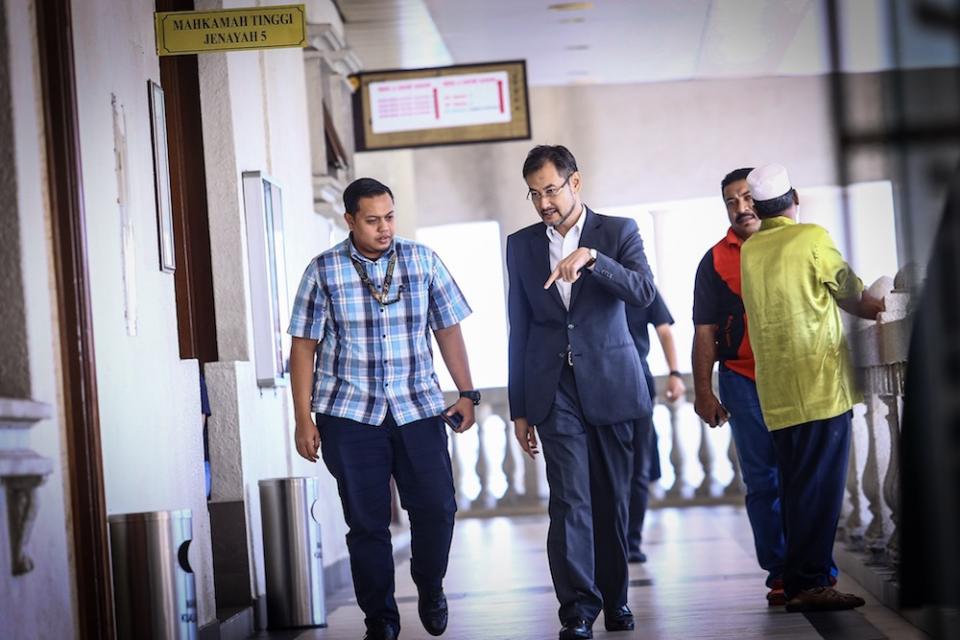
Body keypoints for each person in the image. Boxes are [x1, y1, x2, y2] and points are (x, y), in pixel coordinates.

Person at [288, 177, 480, 640]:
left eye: (389, 217)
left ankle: (429, 585)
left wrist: (467, 393)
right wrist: (302, 418)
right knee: (367, 524)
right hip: (349, 414)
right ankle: (381, 620)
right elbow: (303, 348)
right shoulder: (323, 271)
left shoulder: (423, 260)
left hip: (417, 408)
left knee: (437, 508)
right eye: (372, 220)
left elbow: (448, 329)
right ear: (349, 220)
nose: (384, 227)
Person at [506, 145, 656, 640]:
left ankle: (616, 600)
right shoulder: (522, 245)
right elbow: (519, 326)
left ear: (576, 182)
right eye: (534, 194)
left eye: (550, 189)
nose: (543, 202)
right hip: (553, 388)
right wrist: (520, 408)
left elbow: (643, 293)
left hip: (612, 384)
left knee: (611, 500)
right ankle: (577, 611)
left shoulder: (618, 232)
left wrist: (593, 259)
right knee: (569, 500)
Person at [739, 164, 883, 612]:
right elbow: (850, 293)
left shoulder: (751, 250)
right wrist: (880, 305)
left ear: (758, 208)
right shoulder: (812, 237)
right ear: (793, 198)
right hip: (821, 388)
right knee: (821, 494)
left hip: (778, 395)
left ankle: (798, 581)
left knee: (797, 491)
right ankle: (813, 584)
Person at [625, 290, 685, 564]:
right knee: (633, 470)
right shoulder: (632, 282)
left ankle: (630, 542)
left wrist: (675, 374)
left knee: (636, 470)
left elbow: (665, 331)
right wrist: (674, 374)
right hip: (624, 384)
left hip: (635, 384)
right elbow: (664, 332)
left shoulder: (640, 284)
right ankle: (626, 543)